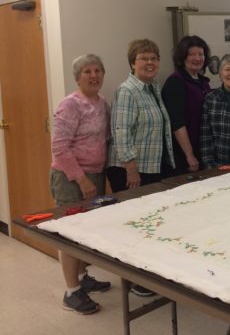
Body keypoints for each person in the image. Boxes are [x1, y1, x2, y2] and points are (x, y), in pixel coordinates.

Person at [107, 39, 175, 297]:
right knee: (132, 224)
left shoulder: (153, 88)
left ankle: (147, 273)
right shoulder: (127, 90)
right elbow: (121, 132)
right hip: (130, 169)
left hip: (152, 164)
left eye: (154, 58)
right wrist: (131, 170)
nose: (149, 63)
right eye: (143, 58)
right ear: (132, 63)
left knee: (149, 223)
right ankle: (135, 280)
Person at [50, 54, 111, 315]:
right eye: (87, 71)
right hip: (71, 178)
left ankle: (84, 276)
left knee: (85, 231)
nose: (94, 75)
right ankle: (71, 291)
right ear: (77, 77)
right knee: (69, 233)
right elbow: (59, 147)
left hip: (95, 175)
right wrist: (82, 179)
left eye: (98, 70)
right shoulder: (70, 105)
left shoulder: (102, 103)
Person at [161, 35, 212, 175]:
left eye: (200, 54)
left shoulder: (203, 82)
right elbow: (177, 123)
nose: (197, 58)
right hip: (183, 155)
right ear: (182, 57)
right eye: (192, 54)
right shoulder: (176, 83)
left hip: (202, 149)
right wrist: (189, 155)